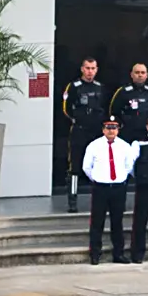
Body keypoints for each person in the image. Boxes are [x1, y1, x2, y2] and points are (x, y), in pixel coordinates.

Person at [54, 57, 106, 209]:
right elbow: (66, 108)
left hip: (96, 131)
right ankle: (72, 201)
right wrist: (77, 119)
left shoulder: (99, 87)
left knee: (99, 164)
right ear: (82, 69)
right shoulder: (74, 86)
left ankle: (99, 199)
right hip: (79, 130)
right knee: (75, 165)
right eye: (88, 68)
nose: (90, 71)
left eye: (93, 68)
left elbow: (104, 107)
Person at [81, 118, 135, 264]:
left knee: (117, 222)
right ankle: (95, 254)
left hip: (118, 188)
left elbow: (129, 166)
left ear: (118, 129)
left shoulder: (124, 146)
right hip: (101, 188)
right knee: (97, 222)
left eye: (114, 128)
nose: (111, 131)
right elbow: (86, 167)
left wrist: (120, 178)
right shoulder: (94, 145)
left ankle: (118, 253)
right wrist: (97, 178)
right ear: (103, 129)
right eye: (108, 128)